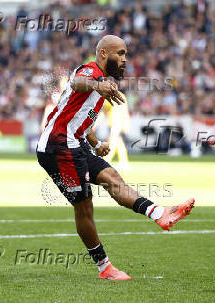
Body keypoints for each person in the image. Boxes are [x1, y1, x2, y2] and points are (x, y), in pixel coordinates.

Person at [36, 35, 195, 280]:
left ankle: (159, 214)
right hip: (57, 148)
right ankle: (104, 268)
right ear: (103, 54)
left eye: (125, 54)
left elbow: (80, 119)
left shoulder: (103, 84)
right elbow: (78, 81)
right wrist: (98, 86)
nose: (124, 59)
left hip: (75, 144)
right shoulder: (89, 72)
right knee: (84, 206)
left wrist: (96, 143)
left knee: (112, 176)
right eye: (120, 53)